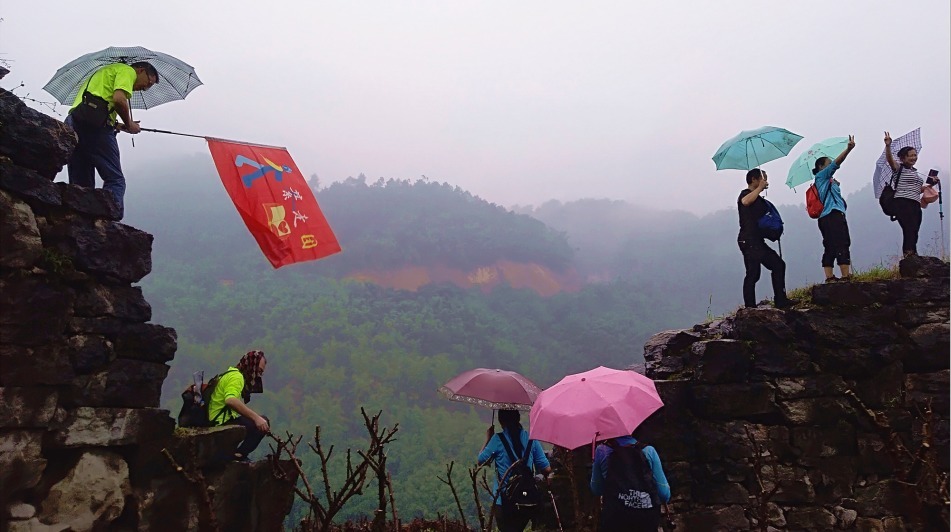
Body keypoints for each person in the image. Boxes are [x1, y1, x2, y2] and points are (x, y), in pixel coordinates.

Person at [64, 61, 160, 219]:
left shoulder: (104, 73)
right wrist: (129, 124)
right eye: (148, 83)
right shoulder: (127, 71)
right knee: (115, 179)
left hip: (74, 123)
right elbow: (119, 99)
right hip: (97, 130)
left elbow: (96, 107)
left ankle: (78, 218)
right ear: (141, 70)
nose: (144, 88)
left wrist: (119, 125)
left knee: (81, 181)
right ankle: (109, 218)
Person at [477, 409, 552, 532]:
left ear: (501, 421)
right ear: (518, 419)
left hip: (503, 501)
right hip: (527, 499)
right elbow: (546, 468)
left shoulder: (497, 439)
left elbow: (481, 460)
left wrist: (488, 438)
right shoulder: (530, 438)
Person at [737, 169, 795, 309]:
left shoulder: (759, 200)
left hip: (757, 241)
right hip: (748, 241)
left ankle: (780, 300)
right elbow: (745, 202)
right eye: (763, 179)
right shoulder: (745, 194)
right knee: (753, 273)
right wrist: (760, 189)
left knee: (778, 265)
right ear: (753, 180)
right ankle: (750, 307)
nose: (766, 182)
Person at [590, 432, 671, 532]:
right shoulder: (649, 451)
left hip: (615, 518)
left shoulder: (601, 451)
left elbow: (596, 489)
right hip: (646, 519)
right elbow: (664, 493)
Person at [883, 132, 940, 257]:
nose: (914, 158)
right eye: (910, 156)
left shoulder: (914, 172)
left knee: (914, 230)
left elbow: (916, 190)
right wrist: (888, 146)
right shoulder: (899, 169)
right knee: (908, 228)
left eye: (915, 155)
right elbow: (890, 160)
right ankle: (909, 256)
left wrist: (931, 184)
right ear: (903, 158)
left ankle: (912, 254)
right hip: (902, 202)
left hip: (915, 203)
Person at [207, 350, 270, 462]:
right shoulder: (237, 377)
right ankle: (238, 455)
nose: (258, 375)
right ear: (251, 365)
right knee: (262, 422)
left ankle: (236, 454)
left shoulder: (230, 373)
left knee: (255, 421)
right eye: (258, 371)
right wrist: (256, 418)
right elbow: (230, 400)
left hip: (218, 417)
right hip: (221, 420)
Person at [812, 136, 857, 283]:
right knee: (841, 242)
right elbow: (837, 164)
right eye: (828, 164)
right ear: (821, 167)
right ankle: (845, 276)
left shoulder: (829, 181)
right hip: (831, 216)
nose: (831, 165)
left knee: (831, 244)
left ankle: (830, 277)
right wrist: (848, 149)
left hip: (832, 216)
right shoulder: (821, 176)